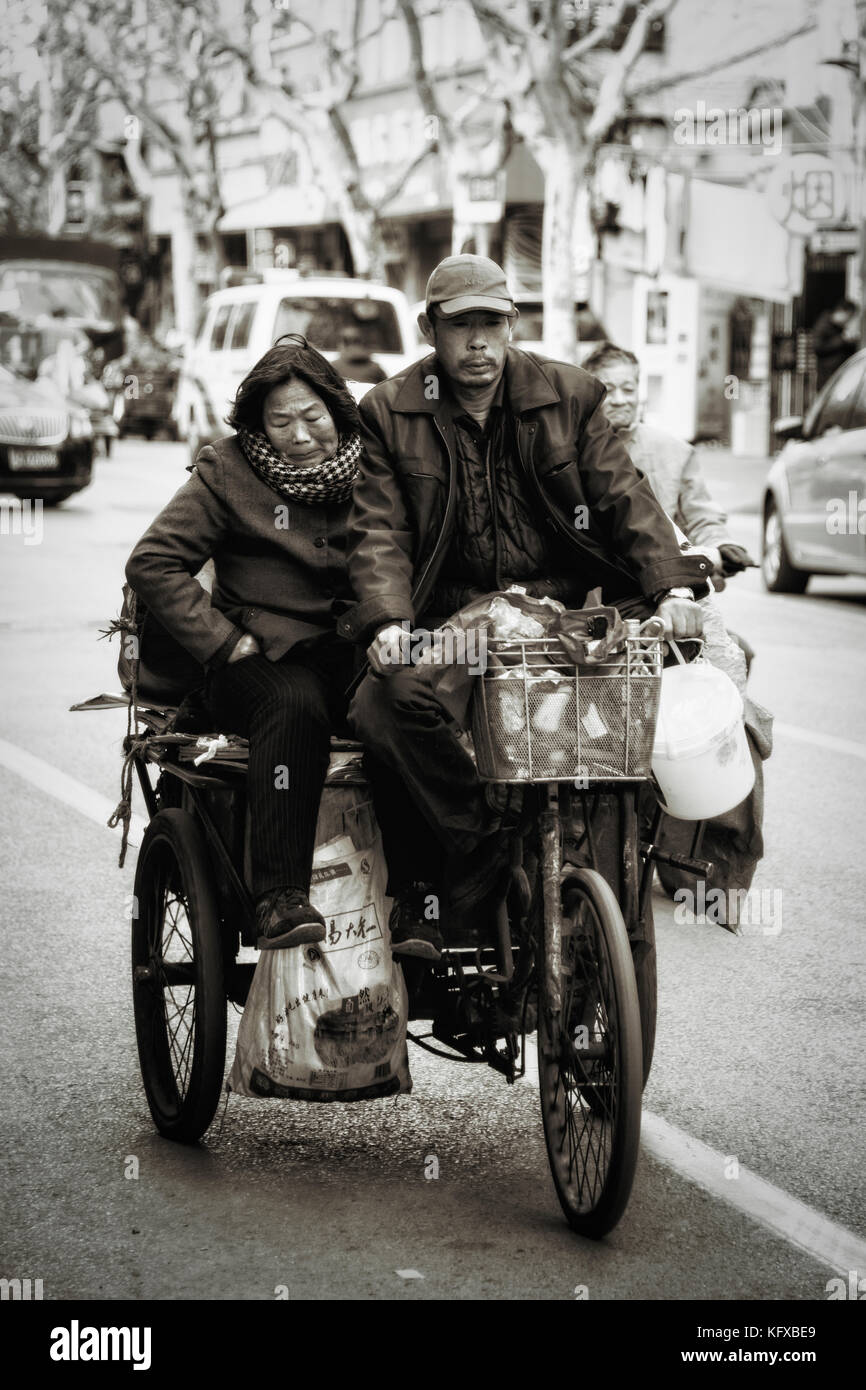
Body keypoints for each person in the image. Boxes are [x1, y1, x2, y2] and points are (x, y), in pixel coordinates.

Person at [339, 254, 712, 960]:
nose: (478, 343)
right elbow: (377, 531)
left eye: (493, 324)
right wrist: (389, 622)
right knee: (381, 705)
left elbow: (624, 498)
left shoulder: (569, 396)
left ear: (512, 326)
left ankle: (608, 884)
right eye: (461, 327)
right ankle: (476, 841)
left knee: (642, 696)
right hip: (451, 622)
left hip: (560, 618)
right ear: (429, 329)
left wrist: (674, 588)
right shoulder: (390, 410)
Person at [125, 336, 361, 950]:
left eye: (313, 417)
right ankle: (279, 898)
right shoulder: (228, 471)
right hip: (257, 662)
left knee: (413, 704)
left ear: (338, 410)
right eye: (280, 421)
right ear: (257, 423)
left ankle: (427, 900)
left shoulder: (375, 465)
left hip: (354, 651)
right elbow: (154, 563)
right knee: (294, 703)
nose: (301, 434)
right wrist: (223, 641)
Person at [581, 342, 755, 588]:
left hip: (666, 578)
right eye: (609, 390)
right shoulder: (571, 451)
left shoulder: (674, 450)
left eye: (628, 389)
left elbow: (699, 514)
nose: (620, 400)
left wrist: (720, 545)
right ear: (590, 394)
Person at [812, 298, 860, 389]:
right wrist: (842, 339)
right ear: (842, 311)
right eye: (849, 316)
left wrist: (851, 342)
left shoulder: (839, 328)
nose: (848, 320)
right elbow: (818, 347)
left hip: (839, 374)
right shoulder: (823, 324)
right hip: (827, 376)